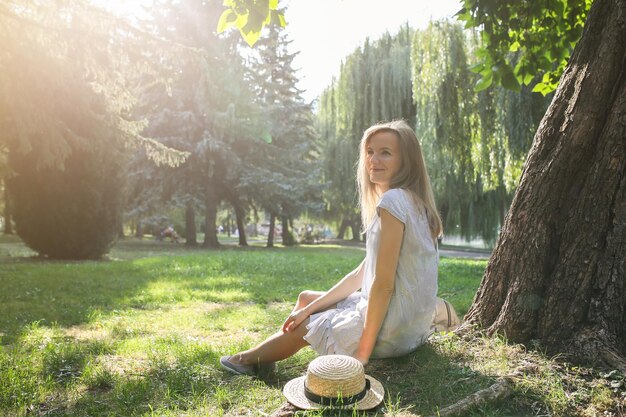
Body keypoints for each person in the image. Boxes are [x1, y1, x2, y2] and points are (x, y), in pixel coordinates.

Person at [220, 120, 443, 375]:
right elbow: (362, 274)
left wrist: (362, 353)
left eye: (386, 153)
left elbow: (383, 285)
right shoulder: (415, 203)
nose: (373, 160)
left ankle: (246, 359)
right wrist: (308, 309)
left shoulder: (393, 202)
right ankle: (267, 355)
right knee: (306, 299)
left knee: (308, 328)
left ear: (407, 161)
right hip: (410, 329)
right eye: (370, 151)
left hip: (392, 332)